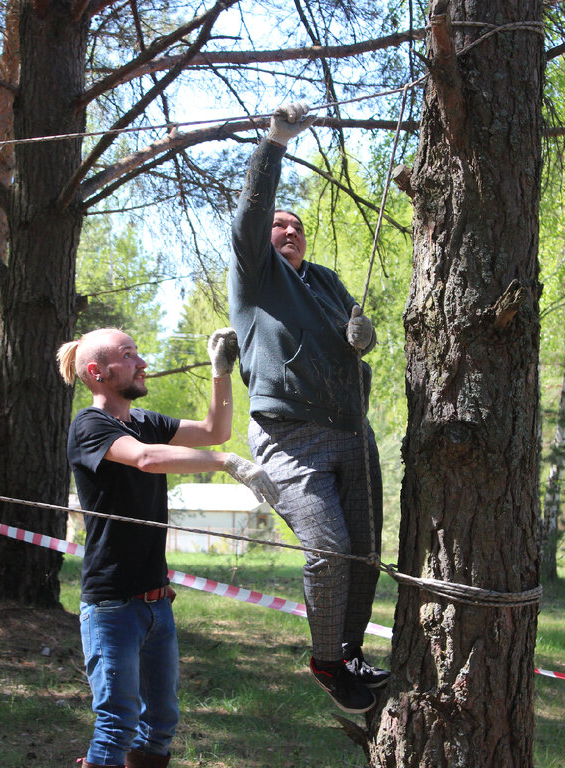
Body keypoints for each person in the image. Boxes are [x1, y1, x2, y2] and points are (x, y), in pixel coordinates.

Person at [228, 101, 388, 714]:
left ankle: (349, 655)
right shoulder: (256, 274)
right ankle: (325, 659)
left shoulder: (323, 279)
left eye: (296, 226)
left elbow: (357, 333)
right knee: (327, 548)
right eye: (279, 225)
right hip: (289, 437)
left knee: (365, 553)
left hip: (351, 430)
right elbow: (250, 215)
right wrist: (274, 143)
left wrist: (363, 337)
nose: (288, 231)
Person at [59, 326, 278, 768]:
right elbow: (145, 458)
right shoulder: (90, 425)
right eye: (129, 355)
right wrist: (226, 463)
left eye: (137, 353)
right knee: (118, 723)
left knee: (158, 724)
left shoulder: (143, 422)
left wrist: (221, 372)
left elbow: (215, 430)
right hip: (113, 605)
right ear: (97, 372)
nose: (142, 363)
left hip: (157, 603)